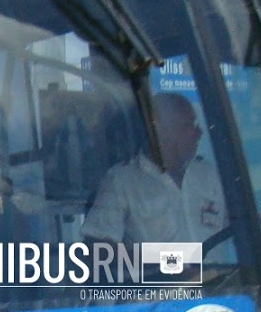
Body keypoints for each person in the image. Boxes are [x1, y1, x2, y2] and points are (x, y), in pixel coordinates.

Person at [81, 92, 226, 247]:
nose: (199, 133)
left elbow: (242, 224)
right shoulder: (121, 182)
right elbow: (98, 248)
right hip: (156, 271)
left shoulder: (209, 175)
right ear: (162, 131)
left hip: (218, 271)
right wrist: (163, 261)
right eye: (188, 126)